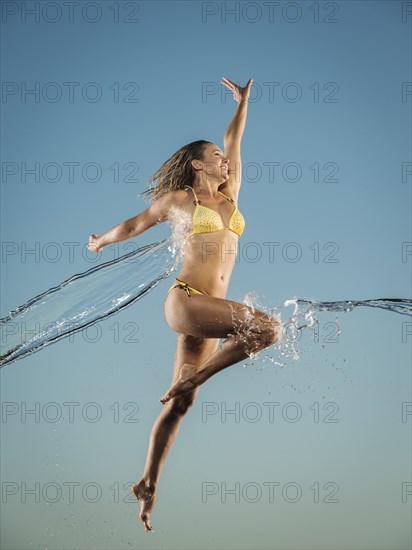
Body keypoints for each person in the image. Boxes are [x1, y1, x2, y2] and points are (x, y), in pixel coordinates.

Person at [87, 76, 281, 531]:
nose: (226, 161)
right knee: (268, 330)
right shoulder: (181, 199)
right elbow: (135, 224)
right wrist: (100, 241)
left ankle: (147, 482)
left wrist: (243, 104)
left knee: (181, 405)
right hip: (186, 303)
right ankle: (194, 376)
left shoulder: (231, 198)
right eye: (216, 157)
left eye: (226, 159)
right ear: (198, 164)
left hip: (208, 313)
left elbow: (235, 139)